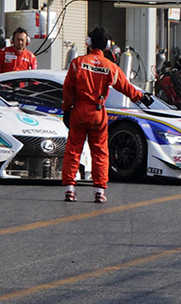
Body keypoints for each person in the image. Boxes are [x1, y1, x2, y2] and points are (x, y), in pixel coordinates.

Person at [60, 26, 144, 203]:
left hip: (79, 110)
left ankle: (70, 190)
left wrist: (67, 109)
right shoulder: (110, 67)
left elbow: (67, 90)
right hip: (98, 112)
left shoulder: (77, 63)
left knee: (73, 150)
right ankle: (99, 191)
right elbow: (126, 88)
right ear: (107, 45)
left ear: (88, 42)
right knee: (100, 152)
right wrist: (141, 96)